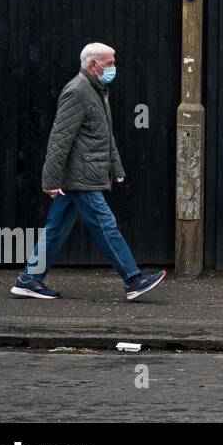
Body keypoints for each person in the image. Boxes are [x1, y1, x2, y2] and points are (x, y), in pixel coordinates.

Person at [11, 43, 167, 301]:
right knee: (105, 225)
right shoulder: (77, 91)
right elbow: (60, 138)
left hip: (83, 173)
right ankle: (133, 279)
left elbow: (102, 135)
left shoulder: (96, 89)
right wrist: (50, 180)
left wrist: (115, 167)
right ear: (93, 65)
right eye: (109, 63)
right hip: (80, 175)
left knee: (56, 228)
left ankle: (30, 279)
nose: (114, 68)